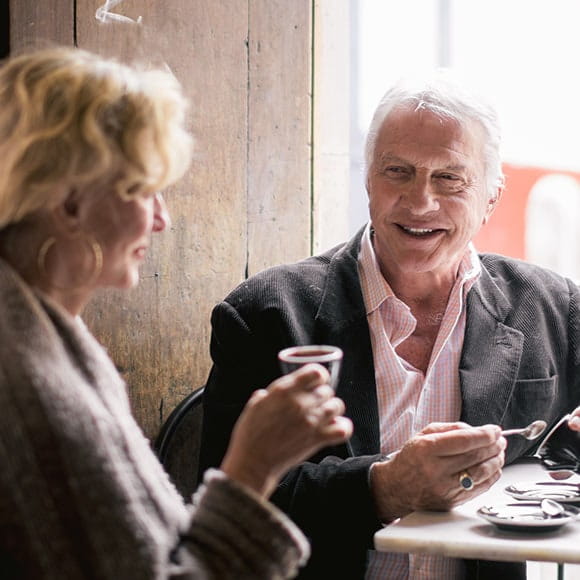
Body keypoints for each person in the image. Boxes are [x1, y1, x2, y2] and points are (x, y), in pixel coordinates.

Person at [199, 71, 580, 579]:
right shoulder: (265, 314)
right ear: (368, 180)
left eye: (449, 178)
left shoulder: (553, 307)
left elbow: (563, 453)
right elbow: (224, 501)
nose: (421, 201)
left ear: (492, 194)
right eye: (397, 171)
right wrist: (383, 487)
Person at [0, 46, 353, 580]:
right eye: (144, 190)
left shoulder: (51, 334)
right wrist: (251, 469)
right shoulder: (25, 385)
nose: (162, 219)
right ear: (70, 204)